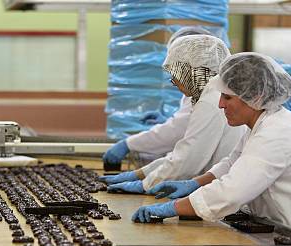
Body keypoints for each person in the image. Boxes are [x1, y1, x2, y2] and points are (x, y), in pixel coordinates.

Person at [132, 52, 291, 246]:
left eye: (228, 97)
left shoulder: (277, 133)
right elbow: (232, 163)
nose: (220, 105)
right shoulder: (262, 123)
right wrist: (193, 183)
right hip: (286, 236)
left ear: (256, 96)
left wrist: (171, 208)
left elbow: (231, 192)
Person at [104, 35, 246, 194]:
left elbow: (188, 159)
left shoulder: (211, 101)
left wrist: (145, 184)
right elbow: (183, 153)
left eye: (177, 72)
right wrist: (140, 174)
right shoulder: (207, 96)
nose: (173, 80)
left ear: (193, 71)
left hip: (221, 192)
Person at [102, 26, 214, 167]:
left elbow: (176, 132)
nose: (174, 78)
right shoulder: (199, 87)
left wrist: (129, 144)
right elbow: (186, 124)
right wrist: (169, 120)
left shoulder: (208, 92)